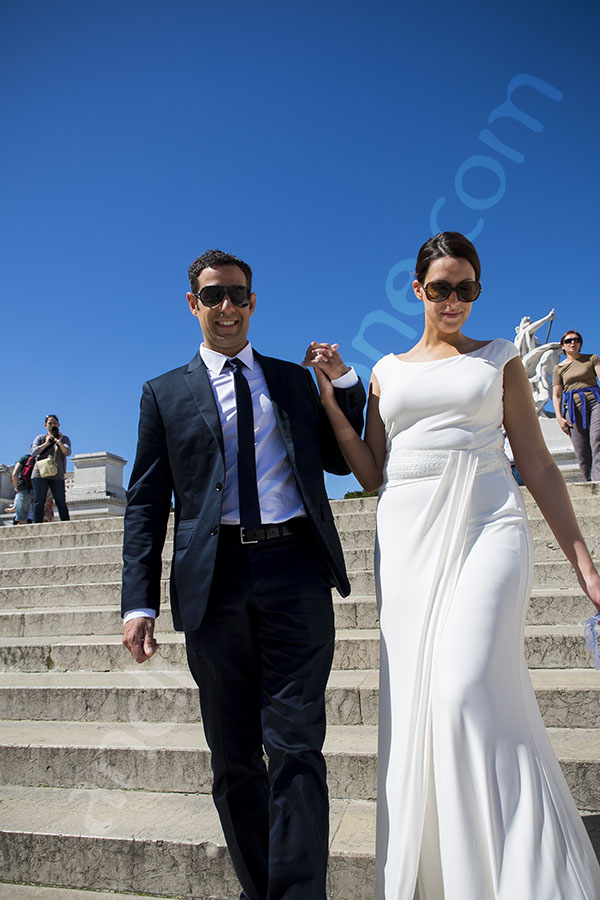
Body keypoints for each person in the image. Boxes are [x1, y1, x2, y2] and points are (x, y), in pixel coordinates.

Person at [309, 232, 600, 899]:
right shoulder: (386, 371)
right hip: (407, 541)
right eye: (440, 288)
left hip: (487, 525)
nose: (452, 300)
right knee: (424, 703)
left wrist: (584, 565)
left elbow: (538, 464)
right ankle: (449, 877)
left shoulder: (501, 360)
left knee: (464, 687)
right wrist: (333, 404)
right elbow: (374, 471)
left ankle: (519, 874)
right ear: (417, 290)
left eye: (465, 289)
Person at [121, 249, 365, 900]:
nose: (226, 306)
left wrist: (343, 387)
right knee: (234, 759)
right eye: (212, 296)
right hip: (215, 579)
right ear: (193, 305)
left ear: (253, 302)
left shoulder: (290, 381)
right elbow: (145, 502)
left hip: (294, 570)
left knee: (296, 746)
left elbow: (345, 465)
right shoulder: (163, 394)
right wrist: (136, 602)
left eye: (237, 295)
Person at [552, 330, 600, 482]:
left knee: (597, 439)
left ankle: (598, 481)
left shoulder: (591, 359)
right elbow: (557, 394)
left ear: (580, 343)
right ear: (563, 347)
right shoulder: (558, 367)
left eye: (576, 340)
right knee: (581, 449)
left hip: (595, 402)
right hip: (572, 408)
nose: (572, 343)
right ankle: (589, 483)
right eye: (568, 341)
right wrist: (559, 417)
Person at [30, 415, 71, 522]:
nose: (53, 425)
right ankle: (37, 525)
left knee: (61, 501)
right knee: (39, 501)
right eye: (50, 423)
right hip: (40, 472)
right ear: (45, 426)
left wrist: (59, 442)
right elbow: (34, 453)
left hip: (57, 473)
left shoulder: (64, 439)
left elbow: (67, 452)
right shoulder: (40, 438)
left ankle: (66, 523)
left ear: (59, 425)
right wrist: (47, 443)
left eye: (55, 423)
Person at [11, 453, 35, 524]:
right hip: (37, 490)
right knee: (36, 518)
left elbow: (14, 474)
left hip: (23, 489)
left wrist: (16, 487)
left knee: (21, 518)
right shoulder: (43, 458)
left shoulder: (24, 458)